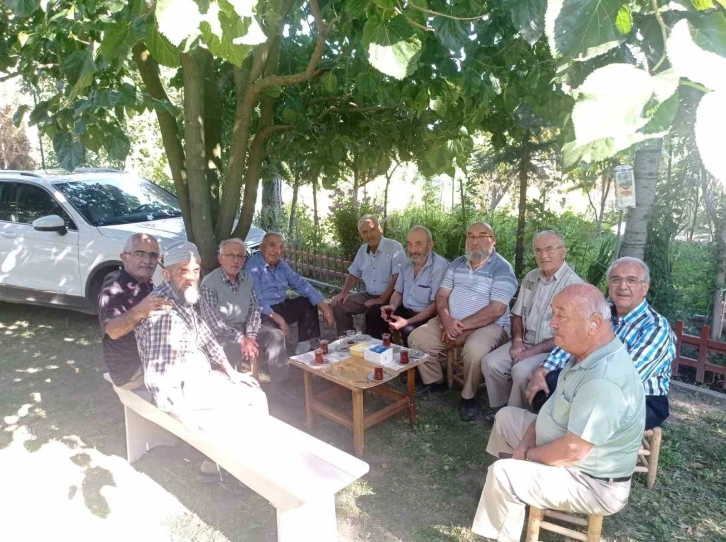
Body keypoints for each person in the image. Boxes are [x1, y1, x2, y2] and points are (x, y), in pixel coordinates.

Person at [472, 284, 645, 542]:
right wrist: (527, 443)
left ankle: (505, 503)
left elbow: (572, 451)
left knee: (504, 474)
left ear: (594, 324)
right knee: (506, 416)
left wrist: (527, 455)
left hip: (591, 482)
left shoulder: (603, 380)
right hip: (565, 448)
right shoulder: (584, 354)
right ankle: (508, 496)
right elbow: (551, 411)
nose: (552, 324)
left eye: (560, 316)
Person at [135, 242, 268, 478]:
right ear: (167, 274)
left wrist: (231, 372)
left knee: (252, 391)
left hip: (198, 376)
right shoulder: (163, 312)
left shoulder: (181, 298)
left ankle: (224, 466)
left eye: (195, 271)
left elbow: (206, 335)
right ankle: (236, 472)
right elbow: (157, 377)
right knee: (249, 401)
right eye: (183, 271)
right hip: (183, 389)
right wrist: (185, 416)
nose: (191, 278)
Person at [527, 257, 675, 430]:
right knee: (546, 385)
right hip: (591, 380)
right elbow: (572, 341)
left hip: (639, 399)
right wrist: (542, 370)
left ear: (645, 287)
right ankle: (554, 436)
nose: (622, 286)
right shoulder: (601, 313)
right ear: (609, 284)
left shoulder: (655, 327)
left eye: (631, 280)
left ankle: (567, 444)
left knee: (568, 404)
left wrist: (576, 387)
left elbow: (625, 379)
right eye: (616, 279)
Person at [409, 222, 517, 421]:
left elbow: (497, 310)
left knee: (474, 352)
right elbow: (441, 295)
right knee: (416, 338)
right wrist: (448, 320)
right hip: (452, 322)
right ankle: (435, 381)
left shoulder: (503, 268)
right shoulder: (458, 262)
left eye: (482, 236)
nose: (475, 241)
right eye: (470, 236)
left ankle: (469, 397)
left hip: (489, 326)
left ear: (493, 240)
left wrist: (462, 325)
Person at [480, 231, 582, 421]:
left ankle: (516, 416)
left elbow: (566, 335)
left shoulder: (574, 286)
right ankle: (499, 407)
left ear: (563, 252)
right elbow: (516, 313)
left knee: (521, 370)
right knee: (490, 362)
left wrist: (530, 352)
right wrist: (517, 342)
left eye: (549, 249)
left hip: (551, 349)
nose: (543, 255)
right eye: (538, 250)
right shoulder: (531, 277)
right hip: (525, 341)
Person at [199, 238, 300, 406]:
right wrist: (241, 339)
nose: (235, 260)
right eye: (230, 255)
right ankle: (231, 393)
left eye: (240, 256)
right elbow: (214, 324)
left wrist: (251, 335)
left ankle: (280, 388)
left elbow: (254, 309)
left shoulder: (247, 278)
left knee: (275, 336)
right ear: (221, 258)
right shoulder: (209, 283)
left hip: (246, 329)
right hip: (221, 334)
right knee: (228, 347)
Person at [98, 233, 171, 390]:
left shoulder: (143, 283)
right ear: (124, 257)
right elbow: (113, 331)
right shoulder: (115, 283)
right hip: (131, 370)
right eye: (139, 254)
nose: (147, 261)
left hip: (149, 360)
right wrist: (139, 311)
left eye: (153, 255)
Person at [244, 232, 334, 354]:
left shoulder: (281, 266)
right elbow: (256, 301)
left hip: (281, 305)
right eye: (272, 245)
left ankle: (304, 347)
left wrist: (325, 307)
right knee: (272, 332)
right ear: (262, 247)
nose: (276, 250)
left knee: (307, 302)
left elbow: (301, 284)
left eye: (280, 247)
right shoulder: (252, 267)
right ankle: (271, 355)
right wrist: (280, 320)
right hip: (261, 312)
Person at [365, 226, 449, 346]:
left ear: (430, 245)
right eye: (409, 244)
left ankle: (410, 363)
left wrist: (407, 322)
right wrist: (392, 307)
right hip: (405, 310)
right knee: (373, 313)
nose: (413, 250)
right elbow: (398, 292)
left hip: (426, 317)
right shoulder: (406, 262)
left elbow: (435, 306)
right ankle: (381, 351)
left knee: (408, 330)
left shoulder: (439, 268)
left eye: (418, 244)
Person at [331, 215, 405, 335]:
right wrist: (344, 292)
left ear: (380, 229)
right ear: (361, 235)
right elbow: (353, 274)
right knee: (339, 305)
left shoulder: (394, 247)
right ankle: (347, 339)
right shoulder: (362, 250)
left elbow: (397, 278)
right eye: (365, 232)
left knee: (369, 321)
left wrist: (381, 299)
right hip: (369, 295)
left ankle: (369, 342)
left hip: (391, 297)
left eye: (372, 229)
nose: (369, 235)